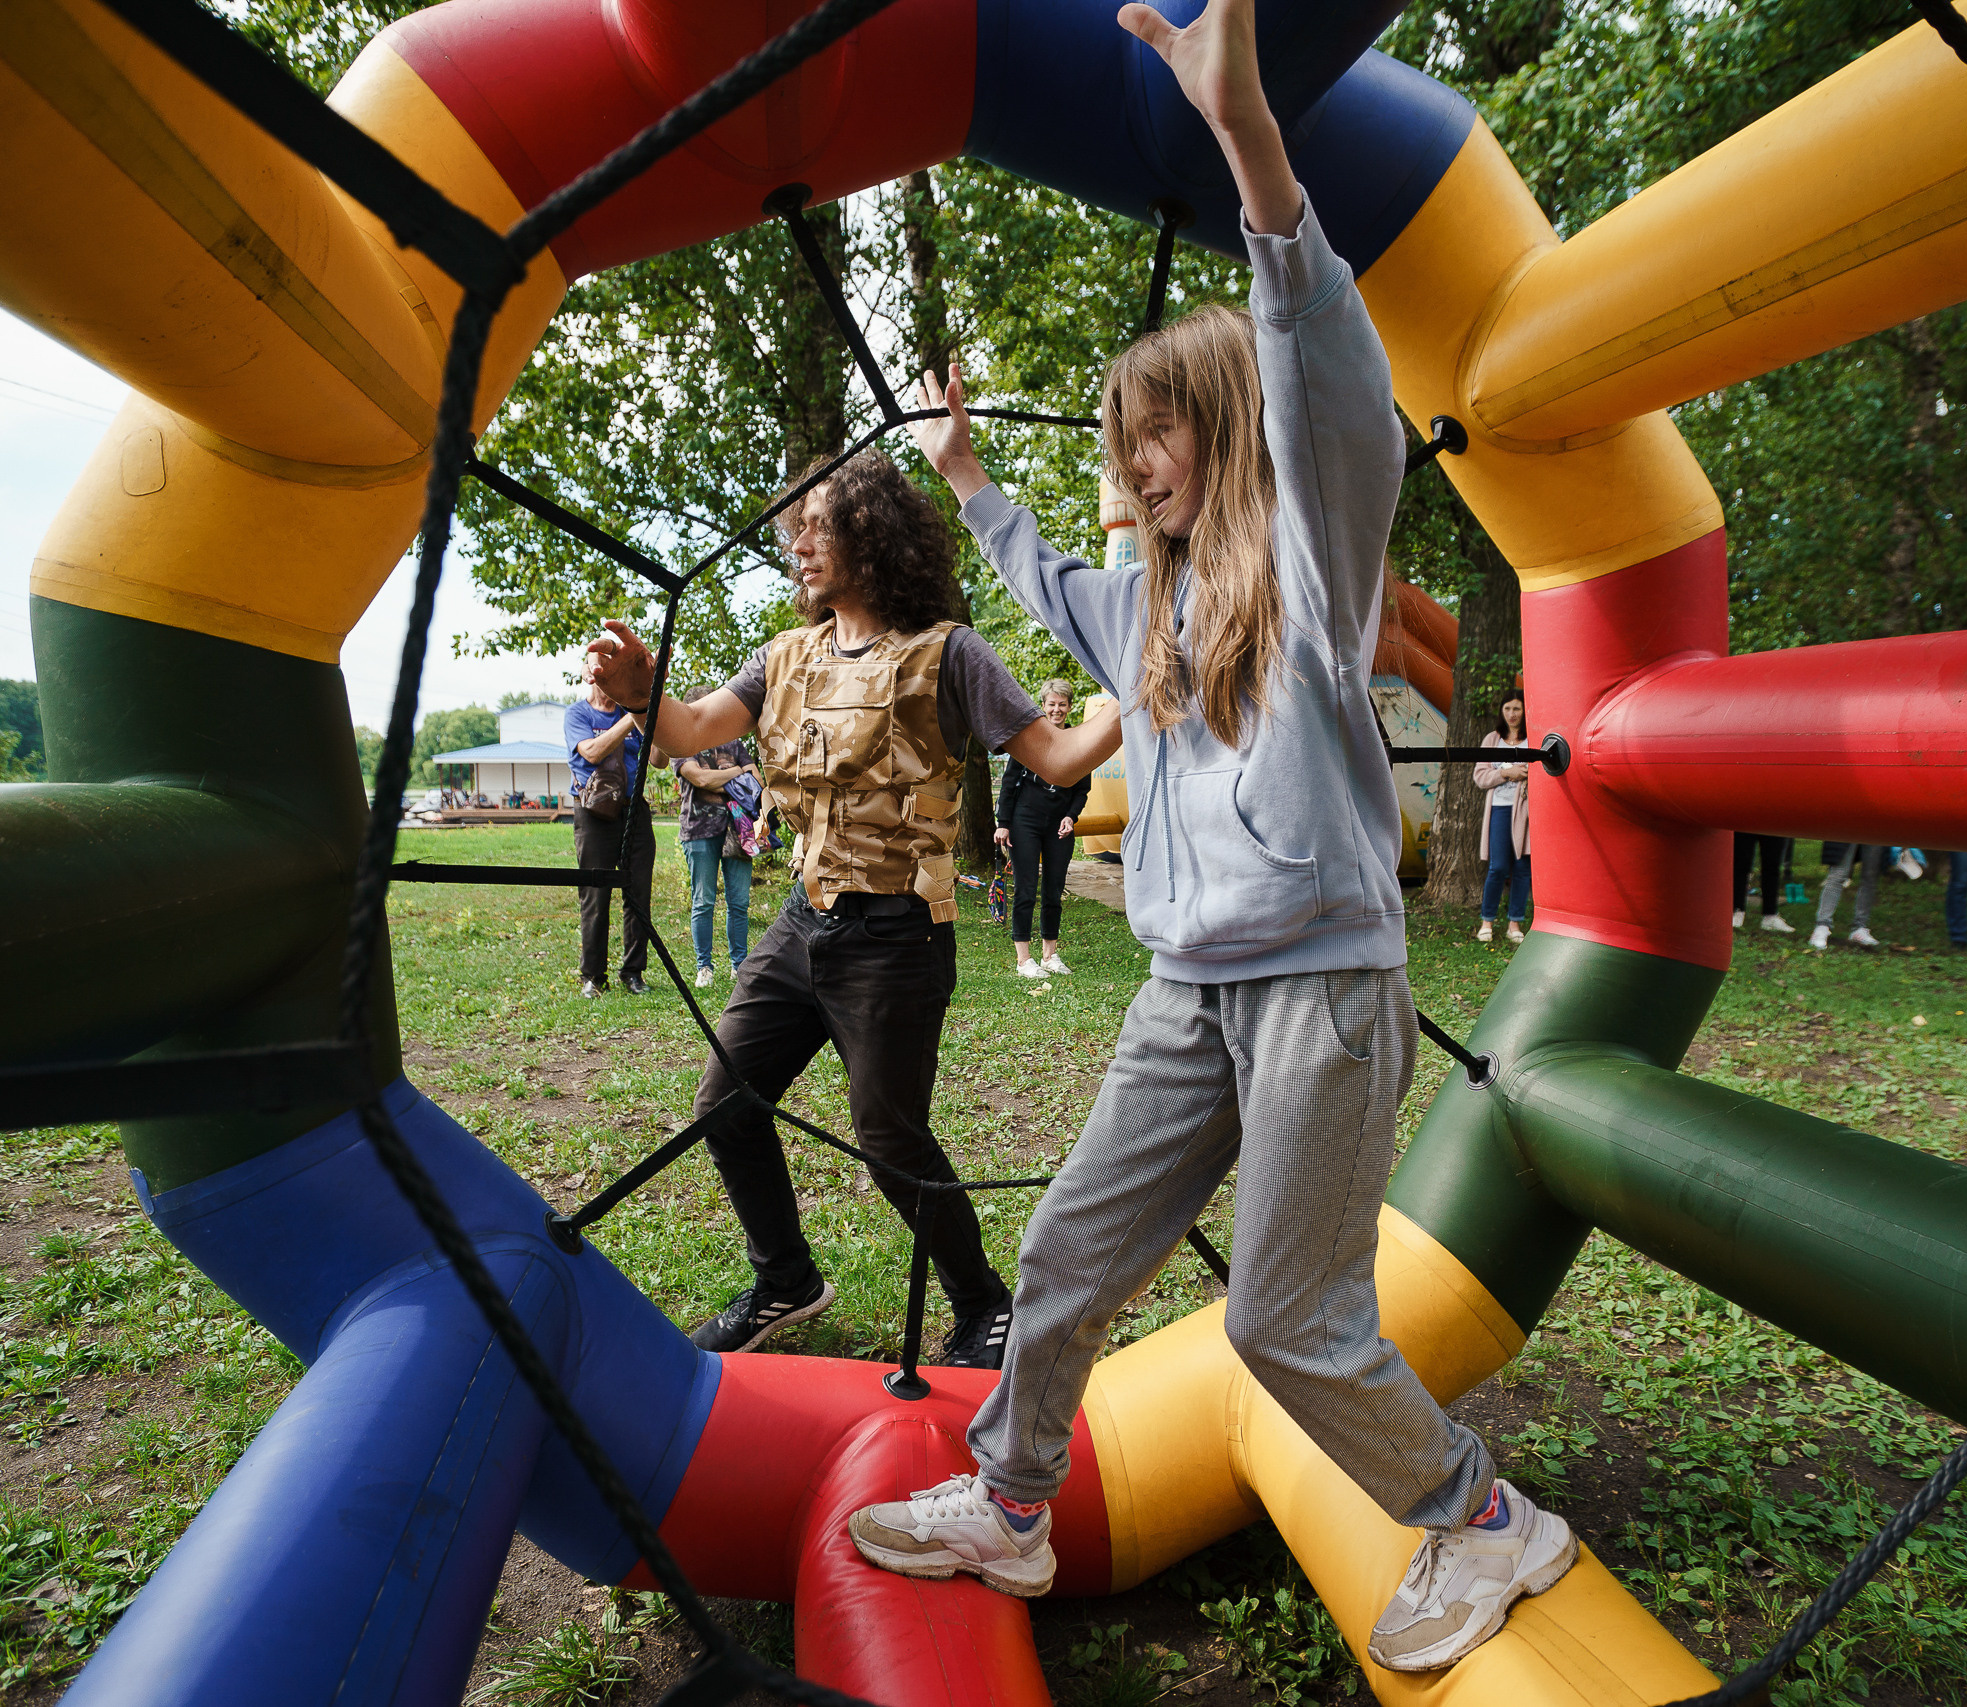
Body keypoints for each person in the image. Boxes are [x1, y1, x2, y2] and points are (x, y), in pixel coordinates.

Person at [845, 0, 1572, 1673]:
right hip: (1189, 988)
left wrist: (1250, 139)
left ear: (1217, 429)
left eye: (1148, 436)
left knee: (1285, 1320)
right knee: (1068, 1247)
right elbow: (1047, 583)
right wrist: (967, 481)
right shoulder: (1153, 610)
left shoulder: (1314, 566)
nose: (1131, 469)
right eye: (1116, 447)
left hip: (1318, 986)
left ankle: (1487, 1523)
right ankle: (1012, 1506)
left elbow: (1321, 364)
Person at [584, 451, 1120, 1366]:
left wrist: (1143, 688)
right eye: (796, 528)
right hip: (803, 920)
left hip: (897, 936)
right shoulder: (784, 656)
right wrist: (642, 692)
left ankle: (984, 1302)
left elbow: (1062, 758)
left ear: (874, 532)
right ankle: (785, 1278)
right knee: (725, 1102)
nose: (799, 543)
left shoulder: (949, 653)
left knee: (889, 1139)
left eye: (819, 524)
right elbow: (691, 728)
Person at [994, 678, 1095, 978]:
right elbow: (1009, 783)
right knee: (1026, 889)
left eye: (1062, 704)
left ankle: (1050, 955)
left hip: (1058, 825)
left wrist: (1071, 816)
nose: (1057, 709)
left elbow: (1082, 789)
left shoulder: (1078, 740)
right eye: (1051, 704)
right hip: (1025, 821)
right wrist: (1003, 824)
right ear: (1043, 706)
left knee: (1053, 890)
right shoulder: (1029, 738)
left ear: (1069, 706)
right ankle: (1024, 959)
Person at [565, 675, 657, 997]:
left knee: (638, 892)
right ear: (588, 676)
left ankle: (633, 973)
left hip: (634, 810)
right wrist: (632, 717)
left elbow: (659, 759)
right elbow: (591, 752)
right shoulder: (578, 714)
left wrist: (642, 713)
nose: (606, 678)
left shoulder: (633, 712)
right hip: (593, 813)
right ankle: (593, 976)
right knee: (595, 894)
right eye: (600, 672)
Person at [671, 701, 757, 989]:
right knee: (703, 902)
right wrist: (737, 776)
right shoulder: (680, 744)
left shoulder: (734, 742)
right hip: (698, 831)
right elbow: (700, 778)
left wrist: (722, 780)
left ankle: (739, 966)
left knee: (740, 903)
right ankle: (704, 967)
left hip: (739, 831)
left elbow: (756, 780)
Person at [1474, 693, 1532, 945]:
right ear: (1501, 711)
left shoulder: (1533, 739)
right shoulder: (1492, 740)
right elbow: (1480, 777)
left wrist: (1527, 776)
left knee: (1522, 868)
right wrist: (1508, 773)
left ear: (1524, 711)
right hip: (1498, 808)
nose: (1512, 713)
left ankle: (1514, 923)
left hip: (1526, 813)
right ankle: (1487, 921)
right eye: (1507, 708)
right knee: (1497, 867)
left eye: (1517, 708)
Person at [1809, 840, 1881, 951]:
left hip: (1875, 828)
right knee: (1838, 874)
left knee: (1870, 877)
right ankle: (1822, 926)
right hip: (1847, 826)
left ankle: (1860, 927)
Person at [1732, 833, 1795, 933]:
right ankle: (1737, 910)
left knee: (1773, 864)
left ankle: (1770, 914)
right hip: (1745, 821)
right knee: (1741, 862)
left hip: (1774, 822)